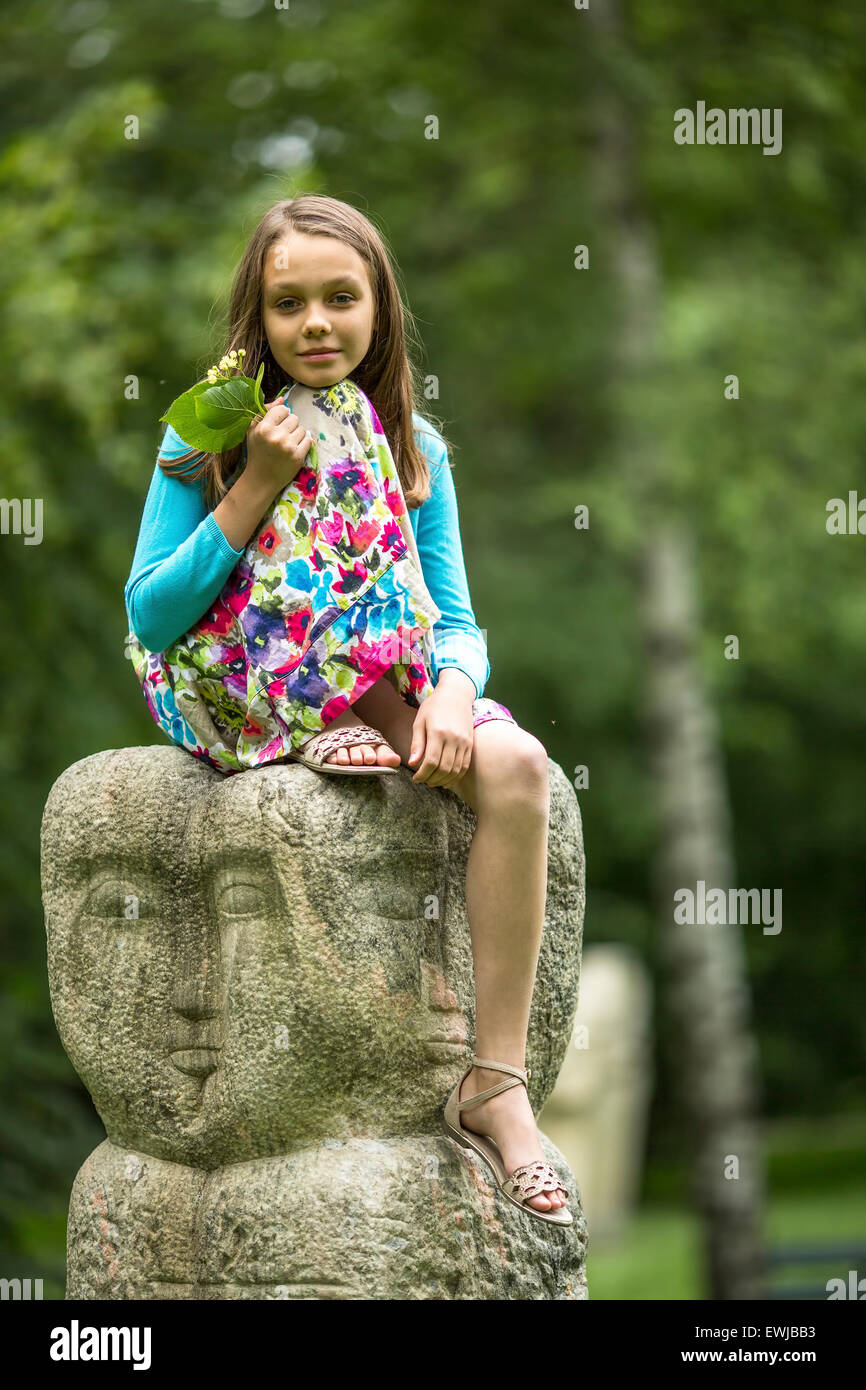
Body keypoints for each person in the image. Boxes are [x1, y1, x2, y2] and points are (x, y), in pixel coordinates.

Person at [123, 194, 570, 1222]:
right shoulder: (208, 432)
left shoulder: (414, 448)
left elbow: (453, 613)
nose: (316, 323)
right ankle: (327, 724)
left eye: (340, 298)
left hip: (375, 677)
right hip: (239, 677)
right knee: (297, 528)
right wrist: (256, 483)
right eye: (289, 304)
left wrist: (455, 691)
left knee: (516, 766)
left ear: (378, 311)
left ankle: (495, 1088)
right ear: (258, 319)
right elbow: (152, 611)